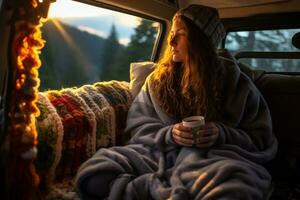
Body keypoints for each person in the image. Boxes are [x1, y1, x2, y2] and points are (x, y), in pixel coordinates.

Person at [76, 4, 278, 200]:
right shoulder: (157, 81)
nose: (171, 41)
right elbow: (138, 129)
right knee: (96, 173)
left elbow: (260, 138)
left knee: (235, 188)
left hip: (217, 158)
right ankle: (156, 186)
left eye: (180, 34)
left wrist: (221, 133)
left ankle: (162, 188)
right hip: (160, 153)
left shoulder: (237, 83)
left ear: (201, 41)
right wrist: (170, 133)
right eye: (171, 33)